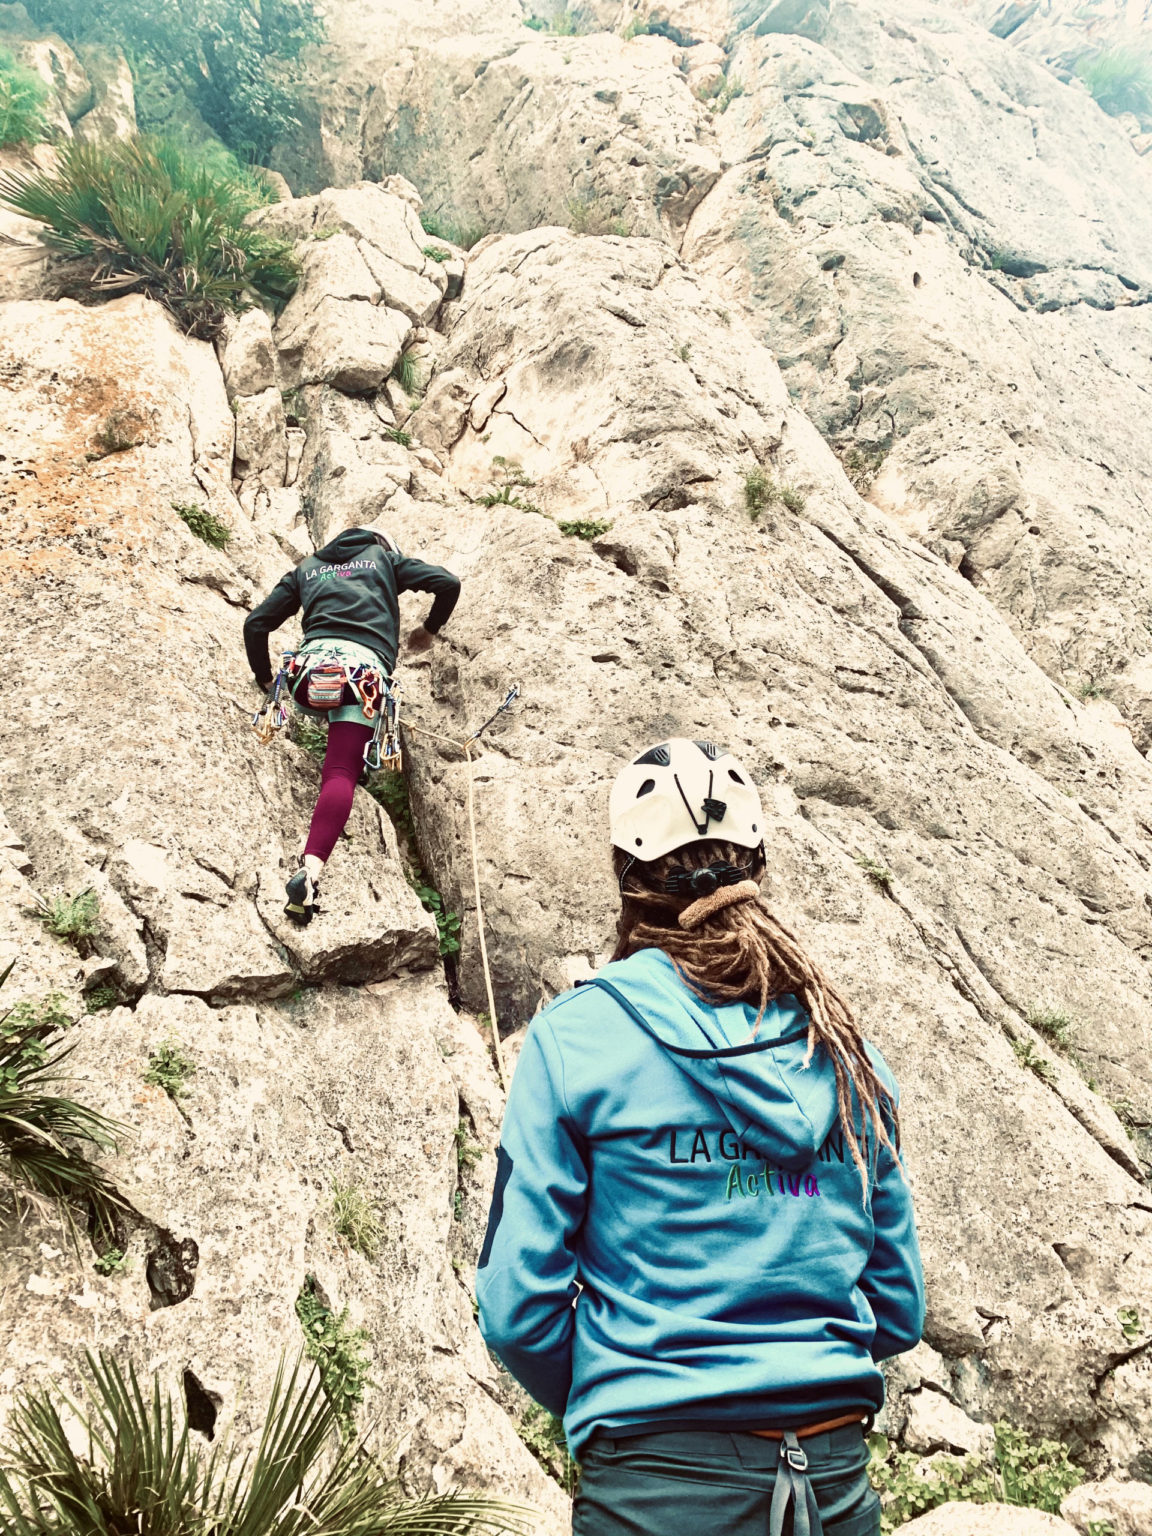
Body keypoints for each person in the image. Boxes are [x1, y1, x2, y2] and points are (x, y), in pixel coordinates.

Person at [476, 737, 924, 1536]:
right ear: (760, 865)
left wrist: (623, 1386)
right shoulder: (846, 1048)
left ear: (627, 881)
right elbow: (896, 1304)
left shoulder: (579, 1040)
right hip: (832, 1489)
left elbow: (518, 1306)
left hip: (654, 1488)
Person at [243, 526, 460, 925]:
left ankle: (336, 725)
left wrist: (262, 677)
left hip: (308, 679)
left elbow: (256, 624)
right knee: (341, 770)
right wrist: (428, 629)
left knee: (333, 713)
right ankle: (309, 873)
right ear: (383, 544)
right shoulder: (384, 560)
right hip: (360, 677)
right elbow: (447, 583)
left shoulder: (306, 569)